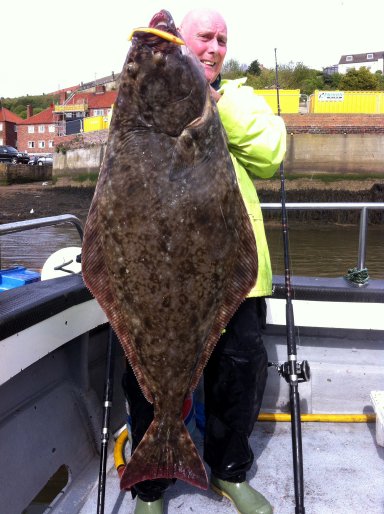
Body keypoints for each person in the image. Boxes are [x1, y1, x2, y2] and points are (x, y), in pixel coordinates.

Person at [122, 8, 286, 514]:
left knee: (237, 375)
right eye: (204, 38)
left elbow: (272, 154)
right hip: (153, 275)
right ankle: (150, 484)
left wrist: (214, 102)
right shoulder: (146, 102)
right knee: (147, 375)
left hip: (233, 277)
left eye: (222, 40)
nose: (214, 48)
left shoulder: (237, 99)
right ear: (181, 44)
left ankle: (230, 473)